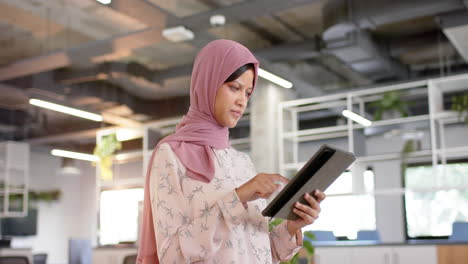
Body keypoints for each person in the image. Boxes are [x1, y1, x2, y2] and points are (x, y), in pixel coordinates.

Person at [137, 39, 326, 264]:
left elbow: (260, 251)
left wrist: (293, 225)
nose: (241, 101)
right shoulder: (171, 154)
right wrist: (238, 197)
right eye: (234, 88)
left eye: (247, 93)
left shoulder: (241, 162)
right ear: (208, 83)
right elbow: (172, 255)